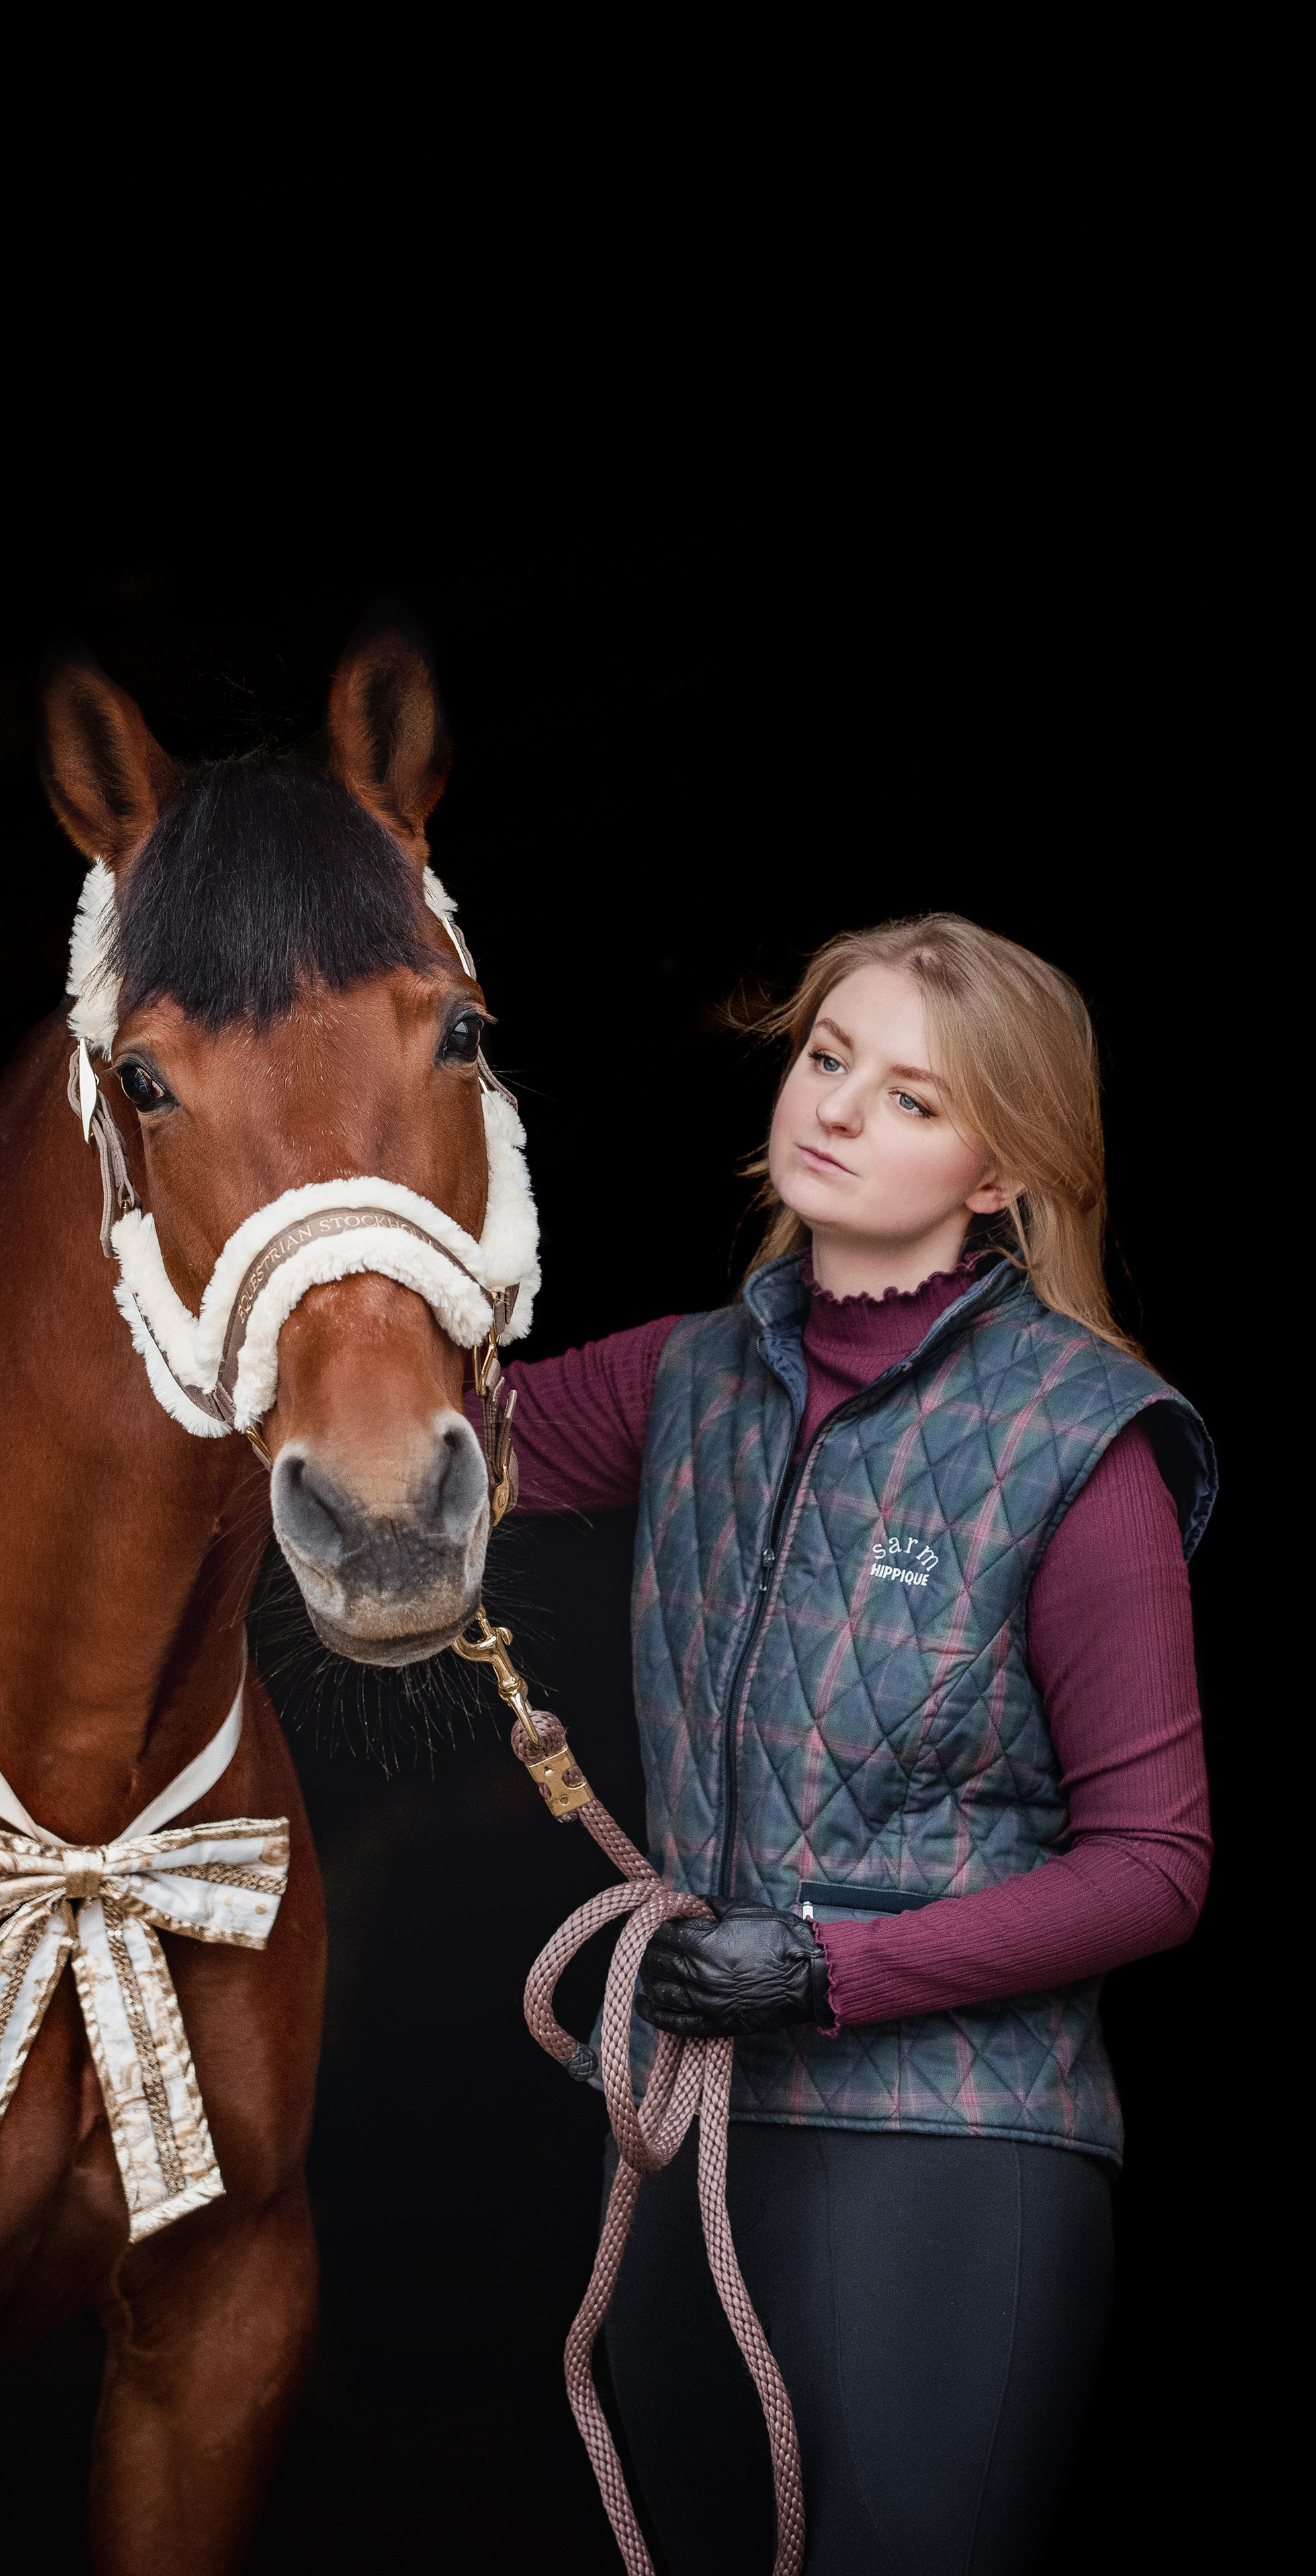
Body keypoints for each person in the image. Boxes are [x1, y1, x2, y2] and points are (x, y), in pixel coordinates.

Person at [476, 914, 1214, 2576]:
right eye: (828, 1060)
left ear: (998, 1175)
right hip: (694, 2123)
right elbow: (407, 1440)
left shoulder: (1076, 1442)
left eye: (909, 1097)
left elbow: (1156, 1869)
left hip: (952, 2153)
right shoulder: (687, 1380)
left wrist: (824, 1970)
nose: (835, 1109)